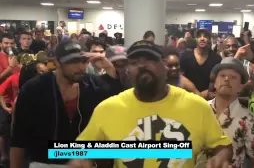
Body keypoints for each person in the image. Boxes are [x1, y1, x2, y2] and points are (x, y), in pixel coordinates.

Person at [69, 40, 233, 168]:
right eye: (134, 62)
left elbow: (222, 145)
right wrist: (80, 158)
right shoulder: (108, 109)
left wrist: (220, 158)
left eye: (149, 60)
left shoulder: (196, 106)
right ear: (128, 70)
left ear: (164, 65)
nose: (141, 65)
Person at [10, 40, 117, 168]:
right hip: (43, 162)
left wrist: (109, 68)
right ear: (57, 62)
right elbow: (18, 138)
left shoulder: (94, 85)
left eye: (84, 61)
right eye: (73, 62)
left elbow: (115, 112)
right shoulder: (34, 88)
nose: (81, 67)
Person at [197, 57, 254, 168]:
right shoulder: (199, 110)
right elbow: (181, 150)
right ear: (214, 83)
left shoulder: (249, 120)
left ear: (240, 87)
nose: (227, 79)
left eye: (233, 77)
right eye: (222, 75)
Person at [180, 29, 222, 93]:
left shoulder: (217, 59)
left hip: (209, 97)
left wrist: (208, 92)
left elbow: (218, 79)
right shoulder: (185, 56)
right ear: (195, 39)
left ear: (209, 39)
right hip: (188, 96)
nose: (202, 39)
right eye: (199, 36)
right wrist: (196, 93)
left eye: (205, 36)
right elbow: (180, 77)